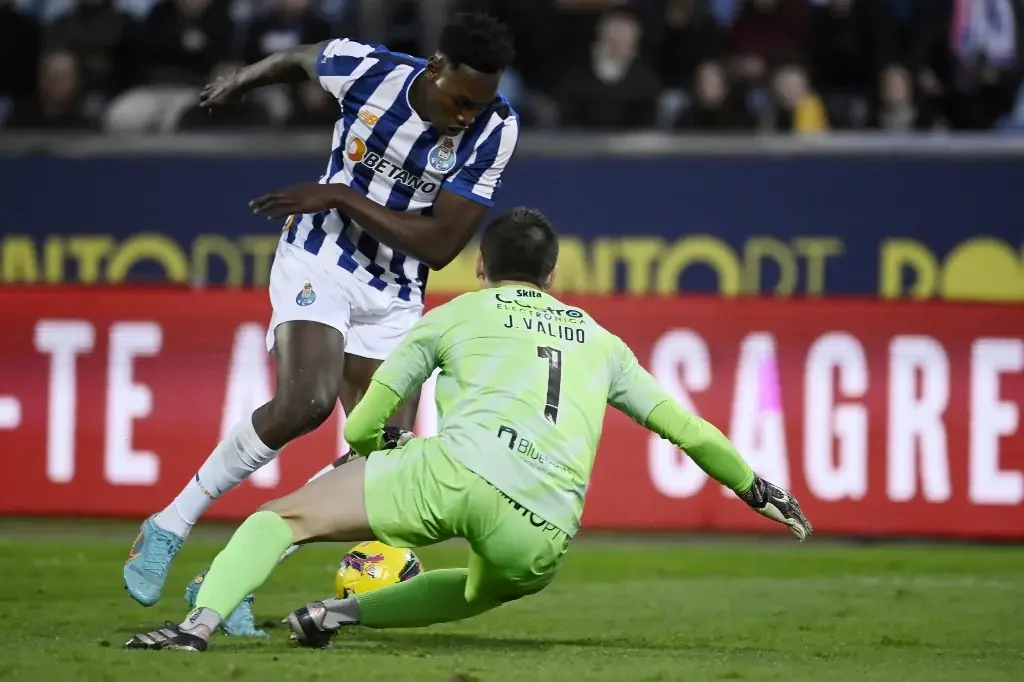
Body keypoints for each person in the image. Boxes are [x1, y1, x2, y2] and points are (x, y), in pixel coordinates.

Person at [125, 207, 813, 652]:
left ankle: (195, 629)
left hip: (451, 476)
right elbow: (687, 431)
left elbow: (371, 414)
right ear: (551, 275)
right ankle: (334, 617)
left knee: (280, 520)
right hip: (545, 525)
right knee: (480, 589)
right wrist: (756, 489)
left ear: (480, 267)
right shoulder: (602, 342)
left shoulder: (453, 313)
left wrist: (370, 455)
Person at [122, 11, 520, 638]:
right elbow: (304, 55)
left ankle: (237, 568)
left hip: (395, 291)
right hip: (321, 256)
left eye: (482, 103)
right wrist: (242, 79)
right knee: (305, 401)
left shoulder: (496, 129)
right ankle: (170, 523)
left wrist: (340, 194)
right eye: (462, 100)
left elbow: (441, 245)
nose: (469, 115)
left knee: (379, 458)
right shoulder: (370, 72)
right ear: (435, 68)